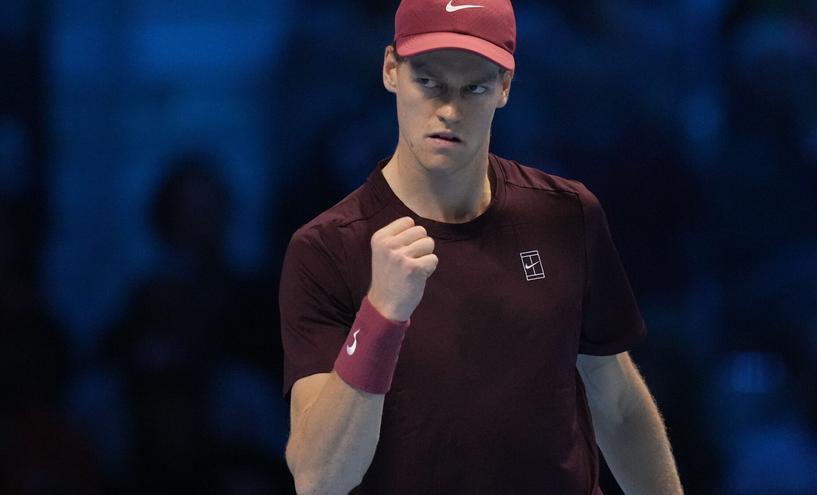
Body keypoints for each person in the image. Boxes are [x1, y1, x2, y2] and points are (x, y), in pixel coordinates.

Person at [279, 1, 684, 493]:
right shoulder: (326, 248)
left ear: (505, 87)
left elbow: (617, 406)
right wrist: (381, 315)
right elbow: (319, 479)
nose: (449, 109)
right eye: (428, 81)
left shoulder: (566, 214)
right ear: (391, 70)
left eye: (474, 87)